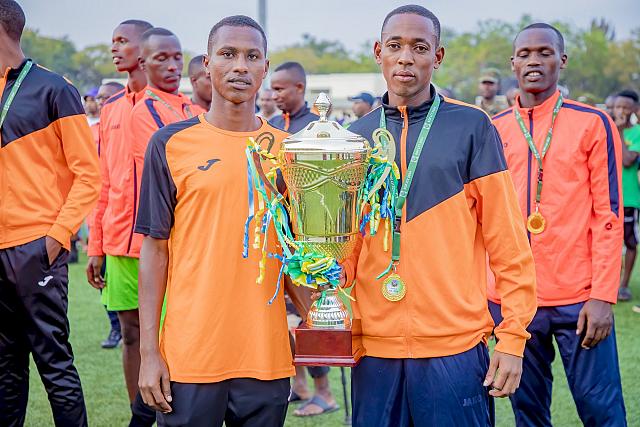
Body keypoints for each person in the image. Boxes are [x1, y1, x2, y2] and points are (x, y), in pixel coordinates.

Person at [343, 5, 537, 426]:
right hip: (374, 350)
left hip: (454, 347)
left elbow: (508, 243)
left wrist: (513, 337)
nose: (406, 58)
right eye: (395, 46)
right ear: (378, 52)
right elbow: (347, 249)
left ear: (438, 55)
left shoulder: (472, 126)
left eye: (419, 47)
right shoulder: (353, 139)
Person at [136, 15, 293, 426]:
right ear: (207, 63)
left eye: (252, 56)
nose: (240, 66)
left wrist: (323, 321)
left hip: (266, 355)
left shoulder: (292, 152)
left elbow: (298, 255)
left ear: (265, 67)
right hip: (191, 354)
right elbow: (154, 251)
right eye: (228, 54)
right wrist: (149, 353)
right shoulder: (169, 144)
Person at [488, 23, 627, 426]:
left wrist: (603, 295)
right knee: (528, 414)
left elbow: (608, 214)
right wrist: (487, 293)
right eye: (525, 54)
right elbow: (483, 217)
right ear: (513, 63)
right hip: (515, 300)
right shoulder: (494, 128)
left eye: (545, 53)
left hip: (578, 297)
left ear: (561, 61)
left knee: (601, 410)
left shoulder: (593, 122)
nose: (534, 61)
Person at [0, 1, 102, 425]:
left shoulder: (53, 88)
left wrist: (56, 237)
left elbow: (88, 175)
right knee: (4, 370)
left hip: (35, 247)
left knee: (54, 364)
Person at [86, 19, 158, 426]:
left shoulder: (170, 108)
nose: (114, 48)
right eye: (112, 41)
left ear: (145, 50)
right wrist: (95, 246)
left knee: (165, 335)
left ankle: (172, 411)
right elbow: (103, 182)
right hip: (117, 242)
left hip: (160, 243)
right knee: (130, 334)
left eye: (122, 41)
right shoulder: (111, 108)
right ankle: (139, 417)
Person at [270, 60, 339, 417]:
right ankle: (297, 385)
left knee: (312, 319)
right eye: (272, 88)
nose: (274, 94)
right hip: (276, 241)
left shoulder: (316, 128)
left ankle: (325, 393)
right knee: (280, 320)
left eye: (280, 88)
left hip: (308, 243)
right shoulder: (270, 126)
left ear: (300, 88)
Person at [89, 81, 125, 350]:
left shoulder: (125, 129)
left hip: (121, 219)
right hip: (98, 212)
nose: (101, 102)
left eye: (107, 97)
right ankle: (115, 327)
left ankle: (122, 328)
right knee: (102, 277)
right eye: (99, 98)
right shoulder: (91, 131)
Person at [615, 90, 640, 302]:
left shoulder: (637, 132)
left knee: (629, 241)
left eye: (625, 107)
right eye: (618, 107)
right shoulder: (606, 130)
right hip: (609, 197)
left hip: (629, 198)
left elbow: (628, 160)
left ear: (634, 110)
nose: (621, 111)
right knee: (609, 242)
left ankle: (624, 286)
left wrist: (620, 132)